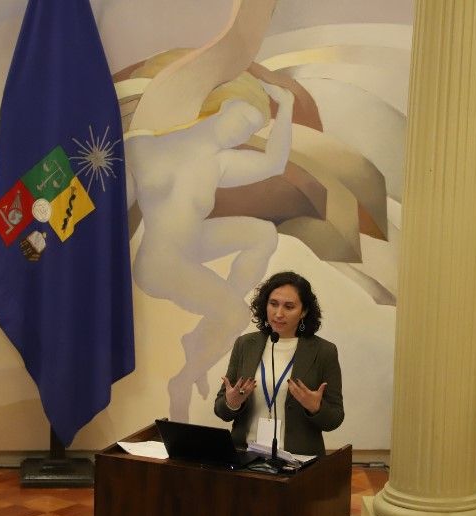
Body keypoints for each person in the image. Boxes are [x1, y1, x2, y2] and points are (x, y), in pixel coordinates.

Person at [127, 77, 294, 422]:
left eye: (252, 130)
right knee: (235, 315)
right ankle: (182, 380)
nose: (244, 135)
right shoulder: (147, 143)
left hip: (191, 245)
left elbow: (274, 164)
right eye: (244, 122)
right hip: (161, 263)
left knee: (263, 234)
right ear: (221, 105)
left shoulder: (217, 161)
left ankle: (208, 329)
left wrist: (287, 104)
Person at [214, 271, 343, 457]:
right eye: (273, 304)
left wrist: (315, 408)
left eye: (289, 307)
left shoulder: (324, 351)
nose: (279, 313)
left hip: (298, 461)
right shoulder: (245, 344)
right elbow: (221, 410)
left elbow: (334, 419)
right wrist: (232, 403)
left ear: (304, 311)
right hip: (246, 456)